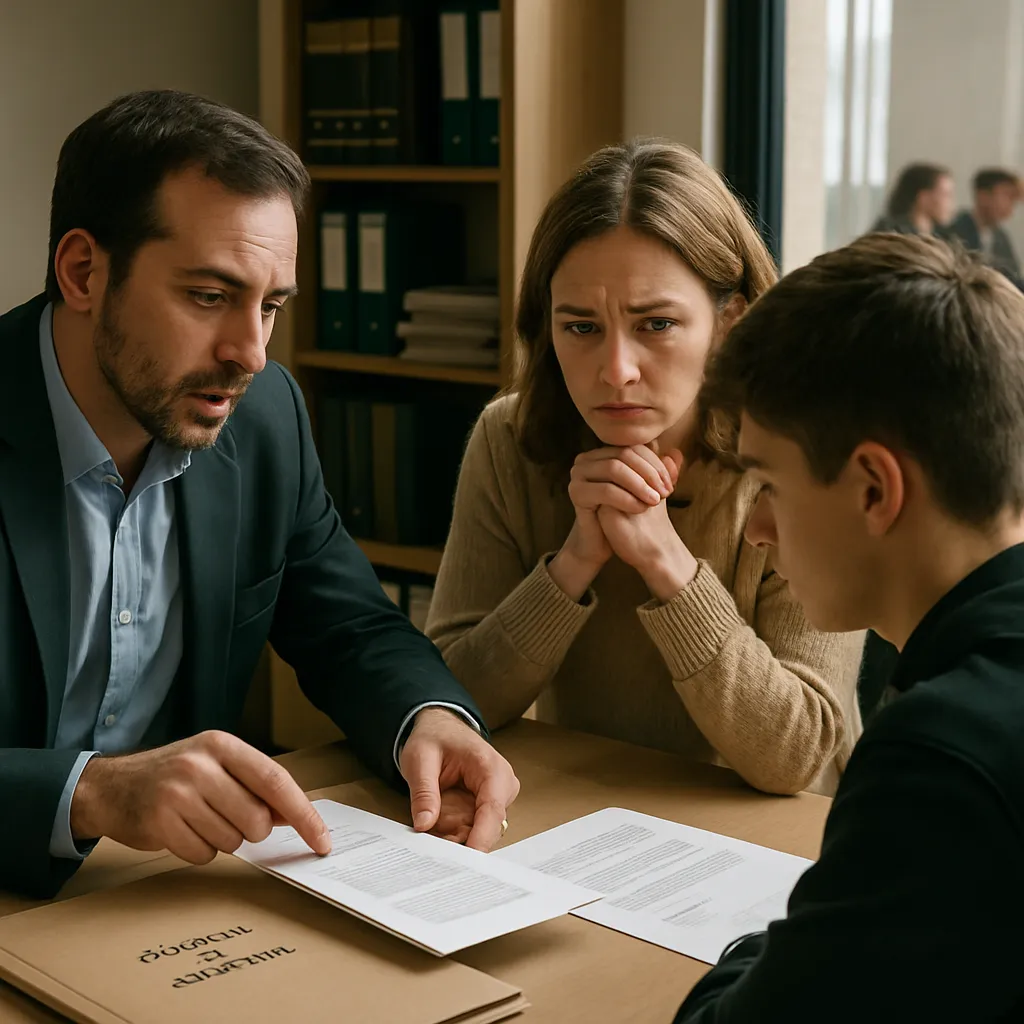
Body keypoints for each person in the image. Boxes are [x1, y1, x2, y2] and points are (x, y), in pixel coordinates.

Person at [0, 89, 519, 901]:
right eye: (209, 297)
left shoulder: (265, 414)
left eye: (271, 305)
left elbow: (346, 622)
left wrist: (429, 719)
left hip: (164, 898)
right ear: (83, 272)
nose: (250, 352)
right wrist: (93, 791)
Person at [425, 140, 865, 798]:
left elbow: (794, 756)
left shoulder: (807, 450)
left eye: (656, 323)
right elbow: (450, 704)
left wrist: (668, 563)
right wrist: (573, 564)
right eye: (580, 327)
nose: (616, 370)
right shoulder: (509, 438)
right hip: (590, 815)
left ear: (729, 323)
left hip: (781, 844)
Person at [675, 233, 1024, 1022]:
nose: (759, 527)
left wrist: (767, 941)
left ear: (873, 488)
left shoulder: (940, 756)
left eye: (766, 481)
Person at [943, 167, 1022, 284]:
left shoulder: (1001, 237)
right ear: (983, 196)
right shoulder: (954, 231)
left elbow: (1013, 277)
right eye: (1006, 196)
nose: (1011, 205)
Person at [870, 162, 954, 235]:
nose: (951, 203)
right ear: (923, 198)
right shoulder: (890, 235)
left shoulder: (943, 236)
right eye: (945, 195)